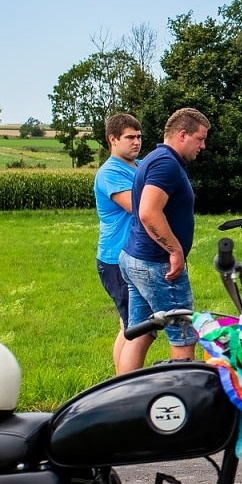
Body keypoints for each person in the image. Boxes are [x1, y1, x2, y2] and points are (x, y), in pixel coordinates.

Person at [117, 108, 209, 373]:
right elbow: (147, 212)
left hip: (136, 259)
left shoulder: (155, 158)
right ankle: (183, 402)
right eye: (200, 139)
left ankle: (123, 398)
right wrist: (175, 250)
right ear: (182, 135)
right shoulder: (166, 164)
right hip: (158, 266)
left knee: (140, 333)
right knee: (183, 335)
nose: (202, 146)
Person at [94, 113, 143, 370]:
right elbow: (138, 207)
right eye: (129, 137)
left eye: (138, 137)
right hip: (115, 259)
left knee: (129, 325)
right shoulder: (110, 172)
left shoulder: (140, 165)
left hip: (134, 256)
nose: (136, 142)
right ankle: (125, 387)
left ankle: (122, 381)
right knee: (134, 328)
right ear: (113, 139)